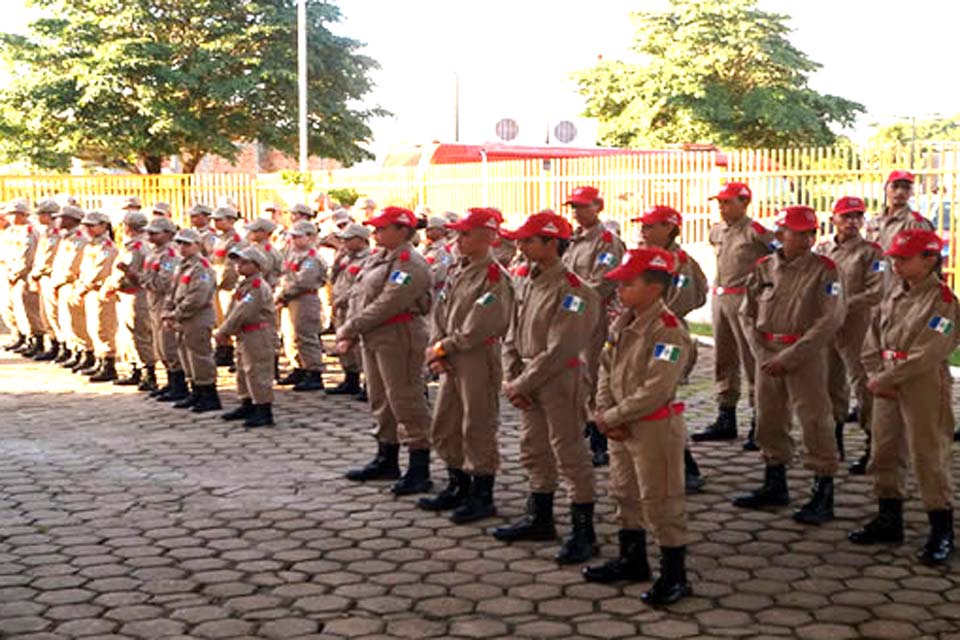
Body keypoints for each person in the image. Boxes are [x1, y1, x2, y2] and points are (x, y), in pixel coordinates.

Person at [582, 247, 694, 605]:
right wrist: (604, 408)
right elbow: (605, 366)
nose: (620, 290)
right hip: (621, 424)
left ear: (655, 288)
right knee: (624, 493)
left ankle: (675, 576)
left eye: (629, 283)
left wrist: (610, 417)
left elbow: (656, 389)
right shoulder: (623, 321)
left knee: (661, 501)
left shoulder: (668, 330)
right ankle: (632, 560)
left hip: (652, 428)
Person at [494, 210, 599, 564]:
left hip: (558, 379)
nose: (520, 246)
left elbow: (561, 348)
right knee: (533, 447)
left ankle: (584, 532)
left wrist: (521, 381)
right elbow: (513, 331)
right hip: (529, 376)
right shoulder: (527, 279)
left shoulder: (574, 290)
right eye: (520, 239)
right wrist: (513, 376)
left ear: (552, 243)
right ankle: (540, 517)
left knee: (569, 451)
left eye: (528, 240)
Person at [848, 229, 958, 565]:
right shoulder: (894, 293)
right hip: (885, 380)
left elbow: (929, 351)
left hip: (922, 383)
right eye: (894, 257)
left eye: (903, 258)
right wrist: (874, 376)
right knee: (884, 449)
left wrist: (887, 378)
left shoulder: (942, 301)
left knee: (928, 453)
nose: (895, 263)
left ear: (929, 259)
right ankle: (888, 517)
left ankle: (941, 529)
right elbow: (872, 340)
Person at [734, 206, 844, 525]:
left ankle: (823, 490)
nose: (807, 238)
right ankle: (774, 482)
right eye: (798, 232)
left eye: (811, 232)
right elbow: (746, 312)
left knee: (814, 420)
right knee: (768, 416)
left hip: (805, 354)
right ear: (781, 234)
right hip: (768, 353)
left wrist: (791, 356)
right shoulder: (764, 267)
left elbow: (830, 318)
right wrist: (761, 352)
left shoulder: (825, 269)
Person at [418, 208, 515, 523]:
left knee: (477, 424)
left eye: (466, 233)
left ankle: (481, 494)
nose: (459, 239)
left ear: (488, 237)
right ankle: (457, 484)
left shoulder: (493, 277)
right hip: (452, 355)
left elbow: (481, 325)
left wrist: (443, 347)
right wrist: (438, 347)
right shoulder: (460, 269)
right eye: (458, 233)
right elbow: (440, 311)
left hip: (476, 357)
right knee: (446, 422)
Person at [337, 206, 434, 496]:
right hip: (375, 335)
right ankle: (386, 457)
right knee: (381, 399)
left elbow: (388, 303)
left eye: (383, 228)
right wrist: (355, 331)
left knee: (405, 399)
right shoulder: (379, 257)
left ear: (403, 230)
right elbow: (360, 295)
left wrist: (350, 329)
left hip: (399, 335)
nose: (376, 232)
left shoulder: (409, 263)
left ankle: (419, 468)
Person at [694, 181, 775, 450]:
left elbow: (778, 258)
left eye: (728, 202)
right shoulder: (717, 230)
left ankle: (759, 420)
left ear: (744, 203)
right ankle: (725, 414)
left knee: (751, 360)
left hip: (745, 298)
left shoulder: (757, 232)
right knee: (723, 359)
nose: (721, 207)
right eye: (720, 202)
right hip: (721, 296)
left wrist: (766, 291)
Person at [635, 206, 709, 493]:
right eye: (643, 225)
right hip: (643, 334)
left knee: (663, 400)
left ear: (670, 228)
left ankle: (687, 469)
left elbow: (688, 297)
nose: (644, 230)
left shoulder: (680, 262)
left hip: (666, 337)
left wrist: (654, 316)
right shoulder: (645, 256)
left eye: (650, 225)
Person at [816, 196, 883, 473]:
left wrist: (844, 304)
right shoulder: (823, 249)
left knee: (864, 383)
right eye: (846, 216)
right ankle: (835, 439)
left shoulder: (871, 252)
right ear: (834, 219)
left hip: (857, 325)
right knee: (830, 382)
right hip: (826, 325)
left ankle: (873, 443)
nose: (852, 222)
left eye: (858, 217)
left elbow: (877, 290)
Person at [561, 186, 626, 467]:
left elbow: (603, 283)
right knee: (577, 374)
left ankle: (600, 440)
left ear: (598, 206)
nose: (576, 212)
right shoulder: (575, 241)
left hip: (594, 318)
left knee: (595, 374)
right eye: (573, 207)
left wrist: (572, 305)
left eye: (582, 206)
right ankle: (584, 428)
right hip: (572, 316)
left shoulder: (607, 241)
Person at [217, 245, 278, 428]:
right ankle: (247, 402)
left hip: (258, 332)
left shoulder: (257, 286)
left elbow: (245, 312)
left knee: (257, 371)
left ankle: (263, 409)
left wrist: (225, 330)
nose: (239, 266)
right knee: (244, 370)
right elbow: (234, 309)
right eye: (238, 263)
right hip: (245, 333)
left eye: (244, 263)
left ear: (257, 265)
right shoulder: (245, 284)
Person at [163, 228, 220, 412]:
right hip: (183, 318)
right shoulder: (182, 265)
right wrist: (168, 310)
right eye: (179, 243)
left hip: (197, 317)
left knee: (199, 356)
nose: (182, 247)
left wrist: (176, 312)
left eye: (187, 244)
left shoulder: (201, 267)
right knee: (186, 356)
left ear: (198, 245)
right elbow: (172, 291)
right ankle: (195, 391)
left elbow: (198, 297)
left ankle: (208, 394)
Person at [105, 211, 157, 390]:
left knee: (138, 334)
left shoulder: (136, 247)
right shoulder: (138, 245)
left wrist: (113, 285)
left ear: (128, 227)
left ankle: (147, 372)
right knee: (129, 335)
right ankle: (136, 368)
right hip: (130, 294)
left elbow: (127, 273)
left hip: (135, 294)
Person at [139, 217, 187, 402]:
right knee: (159, 344)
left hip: (164, 300)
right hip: (153, 300)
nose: (150, 236)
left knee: (169, 344)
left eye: (154, 233)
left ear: (167, 234)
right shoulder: (154, 252)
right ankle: (170, 381)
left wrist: (145, 281)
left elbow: (164, 282)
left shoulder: (170, 254)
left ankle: (179, 384)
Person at [275, 220, 327, 392]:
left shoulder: (312, 258)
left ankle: (313, 371)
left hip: (304, 299)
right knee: (290, 336)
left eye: (299, 237)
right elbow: (284, 275)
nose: (294, 240)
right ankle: (299, 367)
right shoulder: (292, 253)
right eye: (293, 237)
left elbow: (303, 281)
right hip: (290, 299)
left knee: (306, 336)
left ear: (311, 237)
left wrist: (282, 294)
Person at [74, 211, 119, 381]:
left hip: (99, 291)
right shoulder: (91, 245)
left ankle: (108, 363)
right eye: (86, 225)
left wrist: (84, 286)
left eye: (92, 225)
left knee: (103, 327)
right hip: (89, 291)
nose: (88, 229)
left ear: (104, 225)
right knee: (93, 327)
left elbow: (100, 271)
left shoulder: (106, 247)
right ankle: (100, 361)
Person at [327, 222, 370, 396]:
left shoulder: (369, 259)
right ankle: (350, 378)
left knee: (359, 345)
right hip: (340, 304)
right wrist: (337, 259)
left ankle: (368, 383)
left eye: (348, 239)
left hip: (355, 304)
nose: (344, 243)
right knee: (342, 341)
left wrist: (343, 299)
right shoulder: (346, 257)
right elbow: (334, 278)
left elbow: (361, 285)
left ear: (361, 240)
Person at [48, 206, 93, 370]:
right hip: (62, 283)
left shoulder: (79, 238)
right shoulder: (67, 237)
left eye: (63, 217)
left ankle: (86, 353)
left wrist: (59, 282)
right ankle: (76, 351)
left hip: (70, 283)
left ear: (72, 219)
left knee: (77, 322)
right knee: (67, 321)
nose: (59, 220)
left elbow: (72, 266)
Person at [3, 200, 43, 357]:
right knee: (15, 308)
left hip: (24, 275)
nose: (11, 217)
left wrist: (17, 273)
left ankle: (37, 341)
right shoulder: (12, 231)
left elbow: (27, 255)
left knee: (29, 309)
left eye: (14, 214)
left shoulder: (29, 230)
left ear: (23, 214)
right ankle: (22, 337)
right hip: (11, 272)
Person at [28, 199, 63, 360]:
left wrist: (38, 271)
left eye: (40, 214)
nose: (38, 217)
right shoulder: (47, 231)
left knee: (55, 314)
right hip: (43, 277)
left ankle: (62, 347)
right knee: (46, 313)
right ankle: (54, 344)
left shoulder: (56, 233)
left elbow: (50, 257)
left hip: (50, 276)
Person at [211, 205, 244, 368]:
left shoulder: (235, 240)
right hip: (217, 283)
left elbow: (231, 265)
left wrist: (220, 281)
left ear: (231, 220)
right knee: (219, 319)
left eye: (219, 219)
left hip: (228, 285)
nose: (216, 222)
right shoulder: (219, 238)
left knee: (230, 317)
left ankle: (236, 352)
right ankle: (224, 349)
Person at [422, 216, 454, 293]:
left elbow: (439, 274)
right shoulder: (427, 248)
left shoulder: (444, 250)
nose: (427, 231)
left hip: (435, 293)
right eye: (427, 229)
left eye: (431, 229)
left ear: (442, 231)